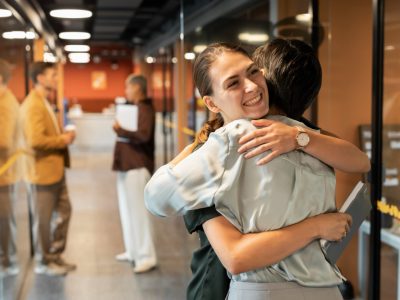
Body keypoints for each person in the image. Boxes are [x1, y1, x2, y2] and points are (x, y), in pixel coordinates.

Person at [145, 41, 369, 299]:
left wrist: (195, 150)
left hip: (257, 289)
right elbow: (361, 162)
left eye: (253, 72)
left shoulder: (286, 136)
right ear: (212, 102)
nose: (251, 86)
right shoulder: (306, 139)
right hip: (322, 290)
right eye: (233, 83)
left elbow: (155, 197)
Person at [21, 62, 76, 276]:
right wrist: (62, 140)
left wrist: (64, 136)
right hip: (41, 175)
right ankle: (44, 262)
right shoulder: (32, 105)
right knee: (43, 221)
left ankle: (54, 255)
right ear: (41, 78)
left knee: (64, 212)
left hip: (55, 171)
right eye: (53, 75)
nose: (56, 79)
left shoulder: (44, 102)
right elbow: (35, 140)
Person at [112, 74, 157, 273]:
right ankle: (133, 251)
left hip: (137, 166)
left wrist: (122, 130)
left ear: (138, 88)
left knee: (138, 214)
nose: (126, 91)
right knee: (126, 210)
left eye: (128, 87)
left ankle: (146, 256)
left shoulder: (146, 109)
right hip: (125, 164)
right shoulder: (133, 108)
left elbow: (143, 136)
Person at [0, 59, 20, 276]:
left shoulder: (4, 104)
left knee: (3, 219)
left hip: (3, 174)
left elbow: (3, 140)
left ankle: (6, 261)